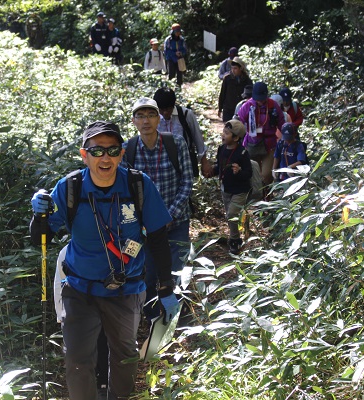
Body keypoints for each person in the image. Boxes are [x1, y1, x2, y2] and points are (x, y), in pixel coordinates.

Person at [30, 121, 179, 400]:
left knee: (125, 357)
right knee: (77, 359)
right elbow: (42, 237)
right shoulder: (70, 188)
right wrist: (38, 214)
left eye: (112, 150)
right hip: (79, 288)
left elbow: (158, 239)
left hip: (126, 289)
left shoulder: (138, 185)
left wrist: (165, 288)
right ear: (84, 155)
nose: (105, 158)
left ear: (122, 153)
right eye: (96, 151)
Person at [120, 98, 194, 321]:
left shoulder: (176, 144)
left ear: (158, 118)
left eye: (150, 115)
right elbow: (124, 192)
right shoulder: (127, 150)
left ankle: (181, 319)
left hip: (177, 222)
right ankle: (154, 319)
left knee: (177, 271)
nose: (146, 121)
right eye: (140, 116)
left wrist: (168, 215)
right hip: (145, 228)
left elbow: (187, 182)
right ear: (133, 121)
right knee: (149, 272)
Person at [208, 120, 252, 254]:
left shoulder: (242, 153)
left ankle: (234, 241)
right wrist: (211, 171)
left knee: (231, 214)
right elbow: (220, 166)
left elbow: (248, 173)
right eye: (223, 132)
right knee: (230, 215)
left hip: (240, 190)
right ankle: (240, 233)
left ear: (236, 138)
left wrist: (239, 171)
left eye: (227, 133)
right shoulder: (221, 149)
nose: (223, 135)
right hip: (226, 189)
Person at [153, 87, 212, 178]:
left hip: (184, 160)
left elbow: (197, 138)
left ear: (173, 106)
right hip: (162, 162)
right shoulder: (153, 118)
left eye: (168, 109)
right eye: (161, 110)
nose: (164, 113)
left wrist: (204, 162)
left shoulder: (186, 114)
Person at [237, 81, 285, 185]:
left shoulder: (273, 105)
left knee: (266, 174)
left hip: (269, 144)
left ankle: (267, 196)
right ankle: (256, 196)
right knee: (254, 173)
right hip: (252, 143)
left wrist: (287, 136)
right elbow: (238, 122)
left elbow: (281, 122)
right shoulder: (247, 106)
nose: (259, 101)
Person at [218, 57, 253, 122]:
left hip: (241, 109)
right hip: (228, 108)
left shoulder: (247, 80)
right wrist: (220, 109)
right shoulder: (227, 79)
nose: (233, 70)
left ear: (240, 69)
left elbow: (250, 96)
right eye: (232, 68)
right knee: (228, 128)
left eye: (235, 68)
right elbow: (222, 93)